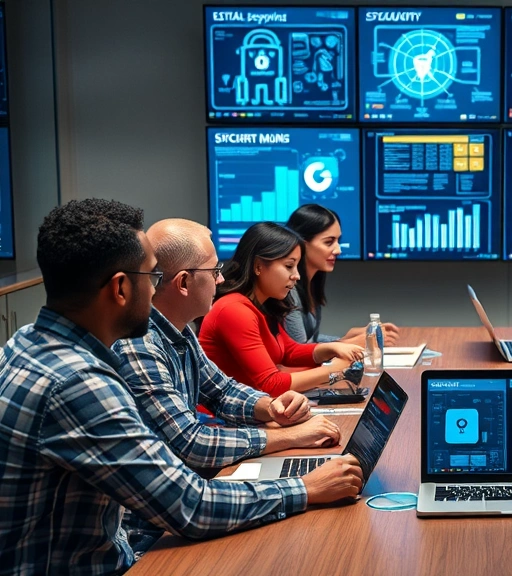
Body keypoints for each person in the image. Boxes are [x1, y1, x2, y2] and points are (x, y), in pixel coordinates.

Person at [0, 200, 364, 575]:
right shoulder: (79, 383)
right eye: (151, 276)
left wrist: (269, 409)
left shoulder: (30, 342)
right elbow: (188, 504)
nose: (156, 289)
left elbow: (220, 389)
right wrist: (305, 488)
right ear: (121, 288)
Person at [114, 218, 343, 472]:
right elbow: (192, 443)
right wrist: (292, 436)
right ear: (183, 283)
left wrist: (271, 408)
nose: (221, 279)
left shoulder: (181, 332)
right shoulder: (140, 346)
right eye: (214, 271)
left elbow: (222, 391)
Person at [198, 222, 363, 397]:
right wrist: (334, 371)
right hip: (225, 412)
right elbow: (271, 384)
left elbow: (289, 351)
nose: (296, 276)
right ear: (258, 266)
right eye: (289, 266)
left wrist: (332, 348)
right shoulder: (234, 310)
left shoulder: (263, 304)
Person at [282, 204, 400, 346]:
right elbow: (298, 351)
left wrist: (345, 338)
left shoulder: (311, 284)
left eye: (338, 241)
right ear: (301, 244)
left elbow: (311, 340)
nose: (338, 250)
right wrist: (350, 343)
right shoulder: (288, 290)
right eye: (329, 242)